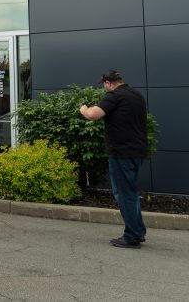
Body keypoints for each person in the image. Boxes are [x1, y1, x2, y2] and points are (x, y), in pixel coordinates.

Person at [79, 69, 148, 248]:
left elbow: (94, 114)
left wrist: (84, 109)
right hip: (137, 151)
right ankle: (138, 231)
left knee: (124, 195)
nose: (104, 89)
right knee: (131, 193)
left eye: (104, 86)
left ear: (108, 83)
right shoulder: (137, 95)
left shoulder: (115, 96)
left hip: (121, 153)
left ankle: (132, 236)